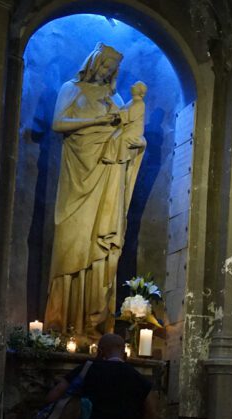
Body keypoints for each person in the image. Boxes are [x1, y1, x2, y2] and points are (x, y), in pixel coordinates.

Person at [45, 43, 146, 339]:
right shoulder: (71, 88)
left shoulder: (113, 97)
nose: (106, 74)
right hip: (78, 176)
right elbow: (58, 123)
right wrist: (100, 120)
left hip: (106, 177)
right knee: (70, 242)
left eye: (111, 71)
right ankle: (59, 323)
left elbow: (125, 131)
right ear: (92, 63)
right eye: (103, 67)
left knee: (101, 244)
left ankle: (94, 324)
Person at [45, 333, 156, 419]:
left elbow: (53, 396)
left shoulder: (86, 370)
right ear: (125, 355)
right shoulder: (138, 378)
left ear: (100, 352)